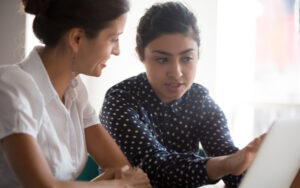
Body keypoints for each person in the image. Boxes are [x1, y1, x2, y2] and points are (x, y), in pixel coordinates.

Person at [100, 2, 265, 187]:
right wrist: (228, 164)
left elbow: (232, 165)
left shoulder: (200, 100)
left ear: (197, 56)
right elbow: (155, 167)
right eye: (162, 59)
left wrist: (256, 165)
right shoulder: (120, 99)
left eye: (187, 58)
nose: (176, 72)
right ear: (141, 55)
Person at [0, 0, 152, 187]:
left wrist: (120, 181)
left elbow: (123, 170)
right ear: (77, 39)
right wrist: (120, 184)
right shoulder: (11, 87)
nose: (117, 51)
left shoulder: (76, 91)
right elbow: (44, 186)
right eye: (113, 39)